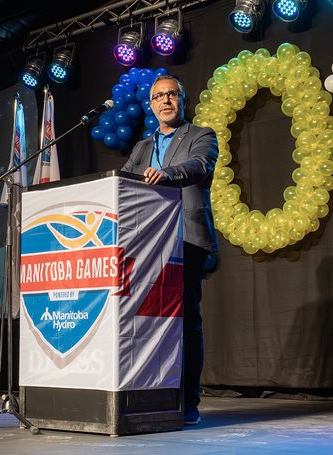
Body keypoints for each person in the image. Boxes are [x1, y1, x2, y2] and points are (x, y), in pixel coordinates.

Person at [121, 74, 218, 425]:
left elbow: (200, 166)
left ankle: (189, 401)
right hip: (145, 244)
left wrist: (167, 174)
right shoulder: (142, 148)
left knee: (186, 321)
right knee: (145, 321)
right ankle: (152, 395)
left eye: (171, 94)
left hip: (186, 239)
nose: (165, 101)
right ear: (151, 104)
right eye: (158, 96)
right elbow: (123, 183)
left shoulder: (201, 135)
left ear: (182, 98)